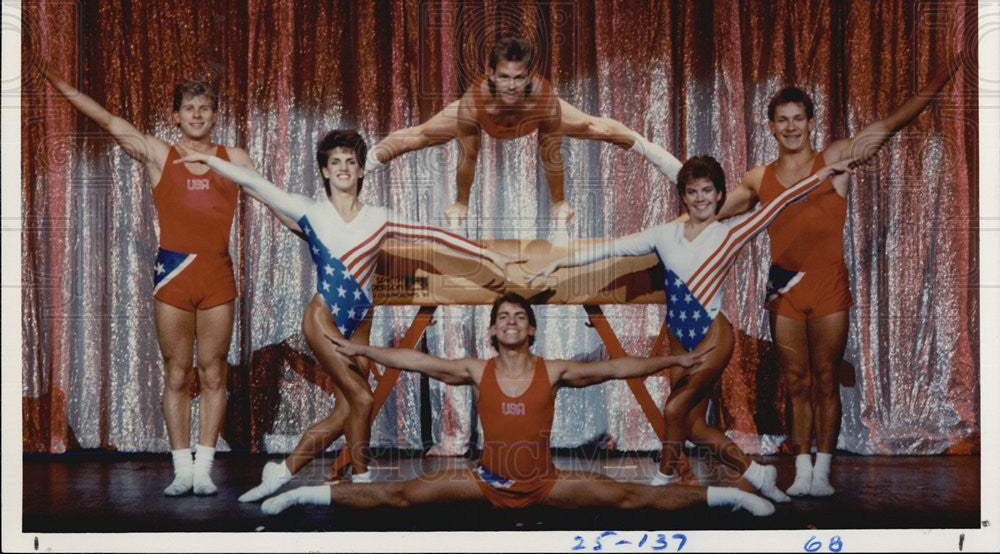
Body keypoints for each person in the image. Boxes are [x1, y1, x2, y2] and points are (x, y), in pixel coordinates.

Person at [176, 129, 518, 502]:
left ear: (359, 171)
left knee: (347, 410)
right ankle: (340, 475)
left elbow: (434, 235)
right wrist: (209, 160)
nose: (342, 168)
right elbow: (254, 181)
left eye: (350, 162)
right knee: (364, 399)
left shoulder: (380, 218)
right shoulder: (309, 210)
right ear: (324, 171)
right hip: (323, 318)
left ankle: (329, 477)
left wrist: (489, 255)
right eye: (334, 162)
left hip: (360, 318)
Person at [257, 293, 776, 517]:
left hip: (546, 483)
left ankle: (728, 499)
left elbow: (615, 369)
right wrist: (364, 350)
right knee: (400, 496)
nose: (510, 322)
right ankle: (306, 497)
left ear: (530, 329)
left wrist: (675, 361)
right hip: (486, 480)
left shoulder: (553, 371)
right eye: (502, 316)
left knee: (630, 497)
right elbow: (415, 361)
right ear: (491, 330)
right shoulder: (474, 370)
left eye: (518, 317)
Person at [528, 155, 854, 502]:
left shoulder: (730, 233)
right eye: (692, 191)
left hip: (713, 336)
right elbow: (611, 248)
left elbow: (777, 204)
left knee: (673, 410)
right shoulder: (663, 234)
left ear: (719, 195)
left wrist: (818, 175)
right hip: (678, 337)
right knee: (695, 426)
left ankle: (664, 475)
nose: (700, 198)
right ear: (682, 196)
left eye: (707, 191)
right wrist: (558, 261)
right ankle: (758, 474)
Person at [718, 70, 956, 495]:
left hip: (829, 287)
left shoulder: (835, 160)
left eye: (798, 118)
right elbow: (712, 214)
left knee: (825, 379)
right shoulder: (758, 178)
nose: (791, 127)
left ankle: (822, 471)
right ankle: (802, 468)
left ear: (811, 122)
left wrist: (938, 81)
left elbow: (890, 124)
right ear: (771, 126)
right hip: (783, 290)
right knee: (796, 383)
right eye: (782, 120)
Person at [41, 64, 270, 497]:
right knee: (178, 374)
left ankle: (204, 468)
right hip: (175, 275)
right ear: (176, 116)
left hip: (217, 274)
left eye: (205, 108)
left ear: (216, 115)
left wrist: (312, 232)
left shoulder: (235, 158)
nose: (197, 116)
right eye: (189, 109)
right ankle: (181, 469)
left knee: (215, 373)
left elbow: (273, 200)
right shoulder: (157, 153)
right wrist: (60, 84)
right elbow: (108, 120)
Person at [365, 35, 682, 227]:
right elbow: (468, 157)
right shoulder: (474, 103)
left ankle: (669, 164)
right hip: (481, 122)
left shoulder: (543, 99)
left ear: (530, 75)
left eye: (519, 78)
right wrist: (462, 202)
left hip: (536, 120)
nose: (512, 85)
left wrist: (558, 202)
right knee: (420, 135)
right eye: (504, 77)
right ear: (491, 74)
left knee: (590, 125)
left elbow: (551, 153)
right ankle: (361, 166)